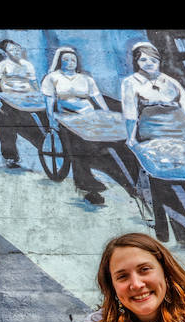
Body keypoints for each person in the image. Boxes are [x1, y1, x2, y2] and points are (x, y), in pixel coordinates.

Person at [41, 46, 135, 205]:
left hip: (88, 114)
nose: (70, 63)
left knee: (114, 138)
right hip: (66, 117)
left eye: (73, 60)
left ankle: (128, 178)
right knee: (76, 148)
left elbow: (96, 96)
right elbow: (49, 99)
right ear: (59, 61)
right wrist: (51, 119)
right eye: (66, 60)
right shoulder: (52, 77)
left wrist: (106, 112)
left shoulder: (85, 79)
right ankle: (87, 186)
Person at [122, 42, 185, 147]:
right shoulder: (130, 82)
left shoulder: (171, 81)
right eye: (143, 60)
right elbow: (130, 115)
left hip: (182, 132)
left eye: (153, 60)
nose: (149, 63)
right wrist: (131, 139)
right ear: (136, 62)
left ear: (159, 62)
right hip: (153, 135)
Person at [0, 39, 45, 169]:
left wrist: (39, 95)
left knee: (41, 117)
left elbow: (34, 82)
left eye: (17, 48)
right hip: (8, 97)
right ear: (7, 53)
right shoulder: (3, 65)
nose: (15, 51)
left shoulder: (27, 65)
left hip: (27, 96)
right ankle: (10, 157)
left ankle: (48, 143)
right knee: (6, 125)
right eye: (11, 50)